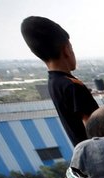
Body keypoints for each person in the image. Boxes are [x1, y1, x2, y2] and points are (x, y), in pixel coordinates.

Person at [20, 16, 98, 147]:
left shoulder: (53, 83)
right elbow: (95, 126)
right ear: (66, 50)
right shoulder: (73, 85)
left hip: (84, 153)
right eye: (72, 49)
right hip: (99, 153)